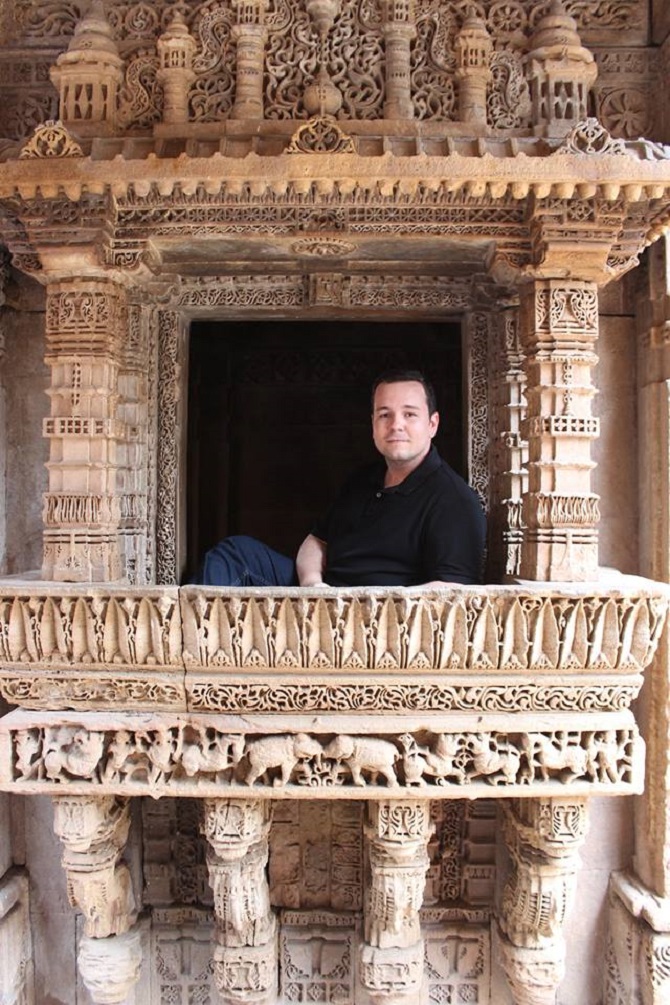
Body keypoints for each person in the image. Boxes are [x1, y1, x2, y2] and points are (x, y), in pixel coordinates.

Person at [198, 369, 486, 587]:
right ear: (373, 424)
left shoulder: (454, 500)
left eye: (410, 415)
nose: (396, 425)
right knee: (236, 554)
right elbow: (317, 541)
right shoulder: (364, 479)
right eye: (384, 415)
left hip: (378, 624)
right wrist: (313, 587)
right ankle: (193, 653)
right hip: (323, 597)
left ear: (432, 424)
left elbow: (450, 595)